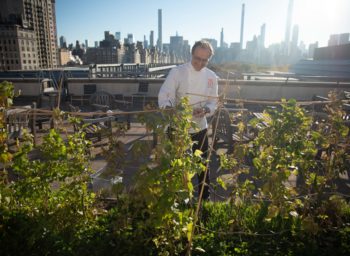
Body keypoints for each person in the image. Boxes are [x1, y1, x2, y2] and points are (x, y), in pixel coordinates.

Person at [158, 40, 218, 200]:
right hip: (177, 127)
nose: (200, 63)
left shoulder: (212, 77)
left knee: (203, 165)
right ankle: (173, 199)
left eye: (204, 60)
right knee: (174, 164)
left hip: (200, 127)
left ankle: (204, 200)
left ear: (209, 60)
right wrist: (172, 111)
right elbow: (164, 97)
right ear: (191, 54)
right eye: (197, 58)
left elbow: (213, 103)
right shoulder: (177, 72)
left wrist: (205, 110)